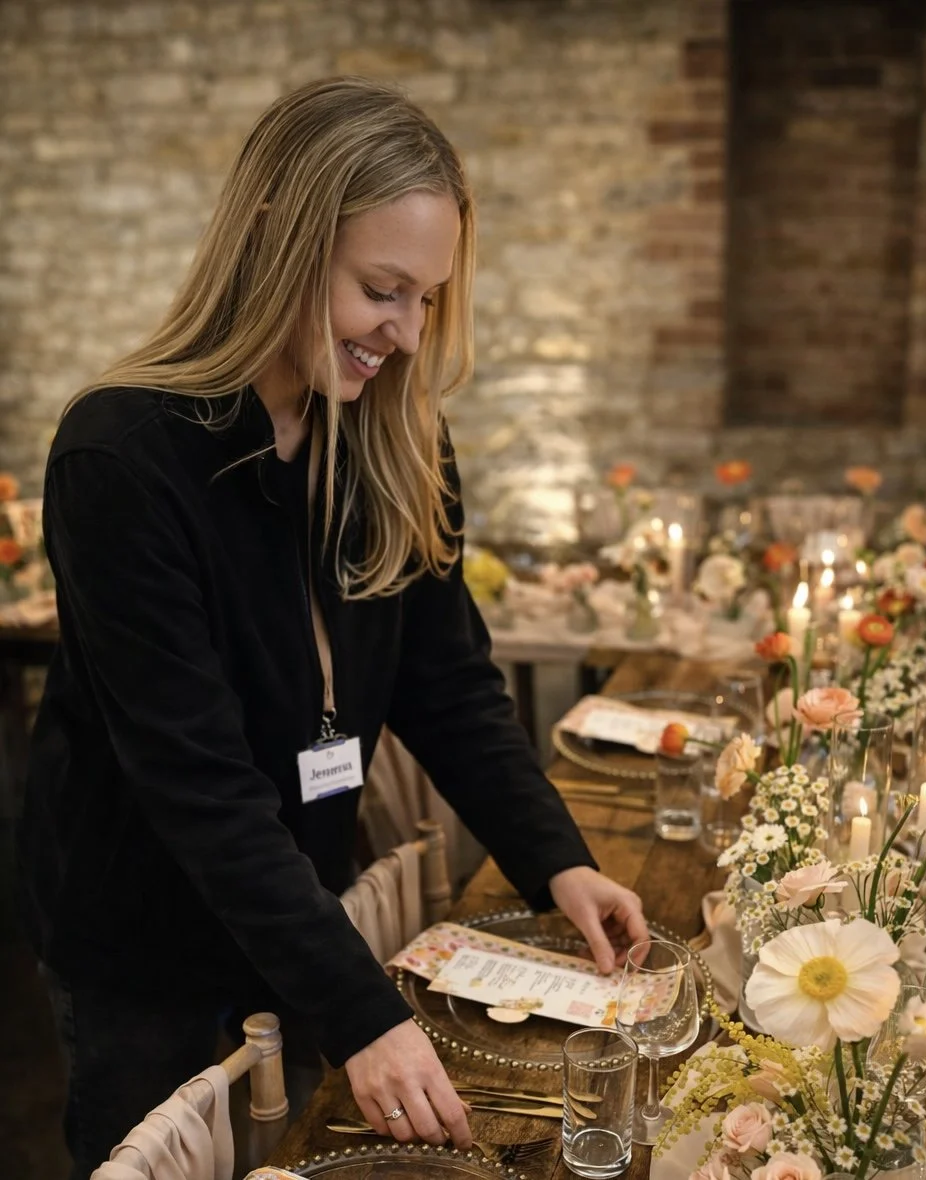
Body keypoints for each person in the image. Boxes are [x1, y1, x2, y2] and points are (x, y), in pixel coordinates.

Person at [17, 76, 648, 1177]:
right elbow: (201, 789)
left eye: (428, 300)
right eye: (380, 289)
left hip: (296, 903)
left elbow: (449, 689)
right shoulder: (121, 457)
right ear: (276, 238)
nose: (404, 336)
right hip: (141, 927)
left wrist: (557, 862)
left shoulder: (390, 439)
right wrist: (361, 1011)